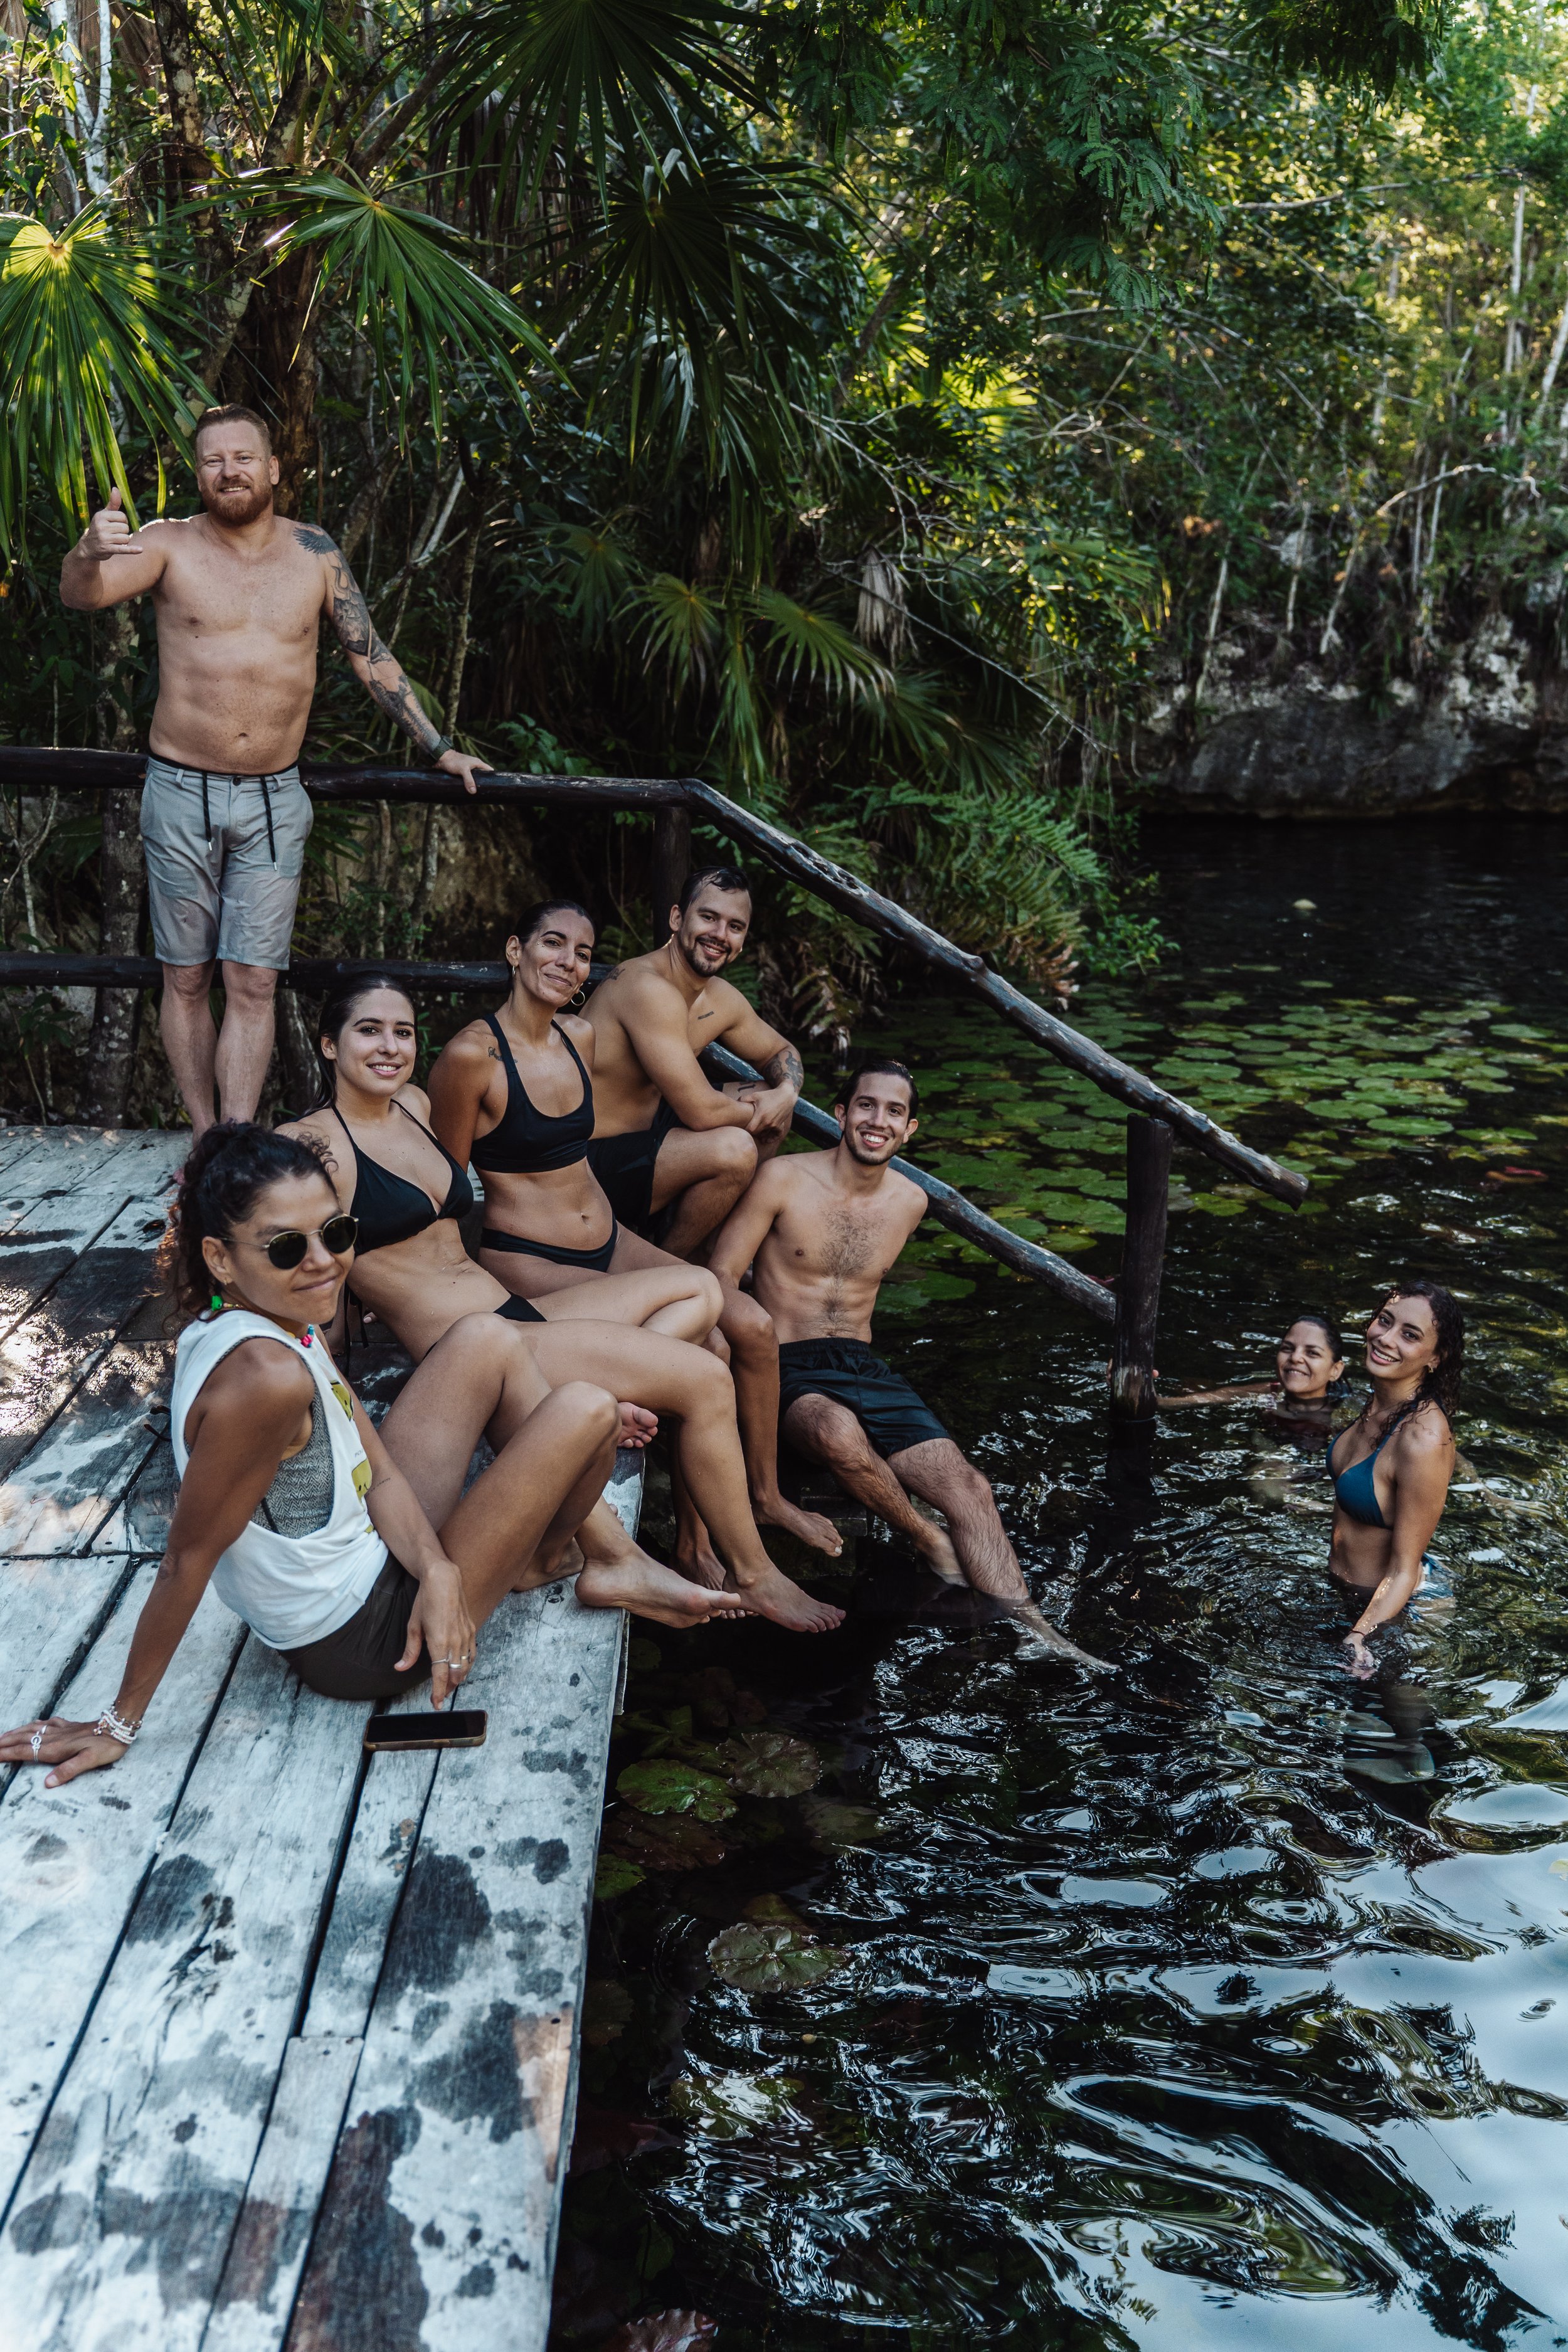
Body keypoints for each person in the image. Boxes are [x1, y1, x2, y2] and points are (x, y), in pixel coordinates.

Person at [0, 1125, 753, 1789]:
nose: (324, 1262)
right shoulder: (263, 1380)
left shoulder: (258, 1318)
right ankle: (556, 1555)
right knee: (586, 1407)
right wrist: (118, 1723)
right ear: (219, 1259)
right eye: (288, 1247)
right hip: (360, 1642)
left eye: (336, 1232)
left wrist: (440, 1569)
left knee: (483, 1338)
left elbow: (381, 1470)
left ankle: (559, 1558)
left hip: (370, 1554)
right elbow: (185, 1560)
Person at [282, 973, 845, 1635]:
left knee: (699, 1288)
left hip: (515, 1315)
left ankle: (579, 1392)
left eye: (402, 1032)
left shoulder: (412, 1104)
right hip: (466, 1351)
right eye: (368, 1031)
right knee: (704, 1375)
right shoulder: (312, 1148)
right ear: (327, 1045)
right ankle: (756, 1574)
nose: (389, 1046)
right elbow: (294, 1280)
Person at [58, 404, 488, 1138]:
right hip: (179, 789)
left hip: (273, 799)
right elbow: (81, 594)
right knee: (186, 977)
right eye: (213, 460)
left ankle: (238, 1134)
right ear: (199, 472)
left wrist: (435, 746)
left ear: (274, 468)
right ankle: (205, 1140)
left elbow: (367, 652)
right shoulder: (168, 545)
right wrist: (89, 551)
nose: (228, 471)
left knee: (254, 980)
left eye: (243, 458)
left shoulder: (315, 553)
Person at [425, 904, 843, 1573]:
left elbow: (598, 1136)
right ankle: (693, 1533)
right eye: (553, 944)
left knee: (740, 1320)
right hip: (533, 1257)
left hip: (610, 1237)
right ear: (515, 950)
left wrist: (765, 1092)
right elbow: (447, 1184)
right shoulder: (471, 1058)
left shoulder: (579, 1038)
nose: (567, 961)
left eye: (583, 952)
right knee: (706, 1336)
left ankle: (721, 1520)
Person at [708, 1057, 1106, 1665]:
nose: (878, 1121)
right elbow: (721, 1276)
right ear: (841, 1114)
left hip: (865, 1366)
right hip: (786, 1364)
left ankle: (1036, 1632)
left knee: (970, 1488)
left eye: (894, 1112)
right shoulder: (782, 1180)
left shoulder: (910, 1202)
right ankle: (928, 1540)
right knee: (838, 1435)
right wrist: (751, 1350)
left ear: (909, 1130)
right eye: (866, 1106)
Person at [585, 867, 803, 1257]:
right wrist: (762, 1109)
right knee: (735, 1148)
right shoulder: (646, 986)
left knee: (774, 1104)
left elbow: (781, 1051)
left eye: (735, 926)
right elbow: (701, 1113)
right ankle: (670, 1263)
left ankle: (714, 1247)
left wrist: (785, 1093)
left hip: (649, 1131)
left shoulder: (719, 997)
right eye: (709, 917)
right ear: (676, 918)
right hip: (588, 1159)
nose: (720, 934)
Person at [1327, 1279, 1463, 1678]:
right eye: (1384, 1321)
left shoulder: (1423, 1438)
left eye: (1409, 1335)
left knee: (1404, 1725)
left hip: (1397, 1610)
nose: (1385, 1339)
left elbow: (1405, 1569)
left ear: (1436, 1357)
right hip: (1351, 1595)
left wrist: (1360, 1635)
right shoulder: (1377, 1403)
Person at [1159, 1314, 1347, 1427]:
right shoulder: (1269, 1392)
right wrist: (1158, 1402)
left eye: (1312, 1353)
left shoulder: (1346, 1414)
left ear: (1335, 1370)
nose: (1295, 1358)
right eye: (1287, 1348)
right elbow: (1215, 1397)